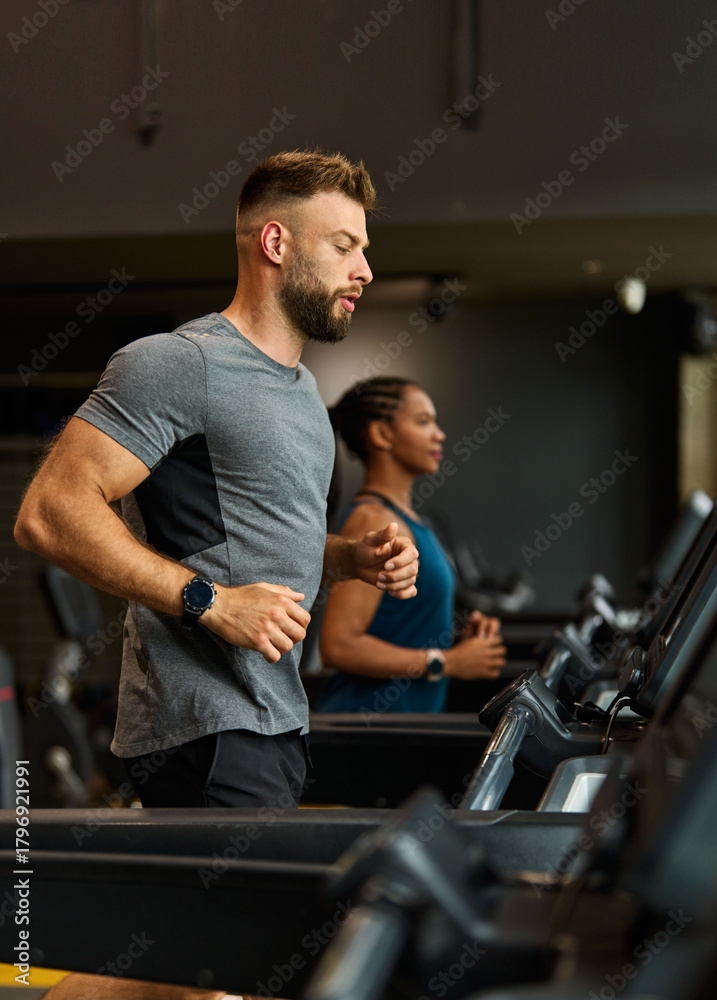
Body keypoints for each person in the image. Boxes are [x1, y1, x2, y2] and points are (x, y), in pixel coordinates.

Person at [13, 150, 420, 808]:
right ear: (275, 243)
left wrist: (348, 558)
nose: (364, 271)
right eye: (344, 246)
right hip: (206, 729)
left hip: (275, 719)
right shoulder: (180, 364)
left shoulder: (304, 392)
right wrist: (213, 603)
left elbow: (249, 540)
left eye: (364, 250)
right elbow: (49, 512)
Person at [315, 377, 507, 715]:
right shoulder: (374, 520)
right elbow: (338, 646)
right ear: (382, 434)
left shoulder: (409, 519)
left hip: (405, 724)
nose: (439, 434)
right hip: (366, 726)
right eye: (423, 421)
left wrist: (458, 639)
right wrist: (445, 661)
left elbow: (402, 628)